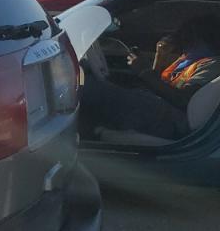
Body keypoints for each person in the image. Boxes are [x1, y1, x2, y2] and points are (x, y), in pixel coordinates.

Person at [80, 13, 220, 139]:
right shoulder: (188, 58)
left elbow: (184, 100)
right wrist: (159, 57)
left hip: (174, 119)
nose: (183, 40)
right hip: (160, 105)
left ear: (203, 37)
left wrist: (144, 72)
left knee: (95, 91)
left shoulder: (213, 64)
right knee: (105, 92)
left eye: (188, 35)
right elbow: (160, 85)